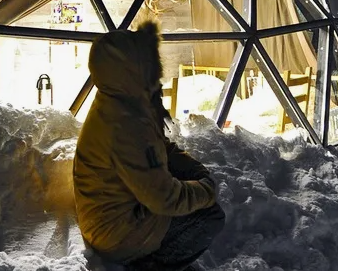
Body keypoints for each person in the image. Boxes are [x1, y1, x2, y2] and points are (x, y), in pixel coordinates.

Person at [74, 21, 225, 270]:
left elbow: (158, 148)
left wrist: (194, 170)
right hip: (117, 234)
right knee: (210, 217)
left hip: (107, 217)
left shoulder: (118, 100)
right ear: (132, 69)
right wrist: (207, 192)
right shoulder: (126, 125)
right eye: (147, 62)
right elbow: (164, 199)